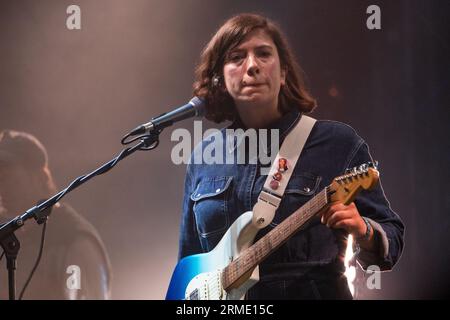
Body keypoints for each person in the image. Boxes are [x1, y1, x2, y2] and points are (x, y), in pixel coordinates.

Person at [177, 13, 405, 299]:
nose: (251, 67)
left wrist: (365, 230)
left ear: (283, 73)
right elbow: (188, 269)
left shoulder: (337, 143)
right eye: (236, 57)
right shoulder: (203, 157)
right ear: (219, 79)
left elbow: (391, 240)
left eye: (263, 54)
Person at [0, 130, 112, 299]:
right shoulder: (8, 232)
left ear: (38, 176)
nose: (1, 185)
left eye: (6, 176)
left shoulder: (74, 240)